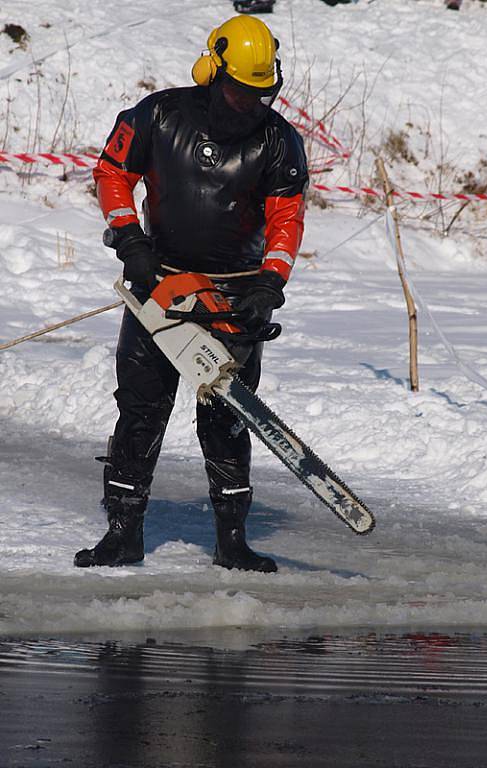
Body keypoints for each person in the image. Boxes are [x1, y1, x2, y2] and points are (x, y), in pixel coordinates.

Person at [73, 15, 308, 574]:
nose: (247, 105)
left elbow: (286, 218)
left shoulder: (279, 142)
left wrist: (270, 283)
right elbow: (111, 172)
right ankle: (123, 534)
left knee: (226, 418)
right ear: (212, 70)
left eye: (260, 95)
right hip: (160, 285)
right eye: (237, 92)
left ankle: (232, 542)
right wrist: (131, 240)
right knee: (140, 411)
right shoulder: (158, 115)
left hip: (233, 296)